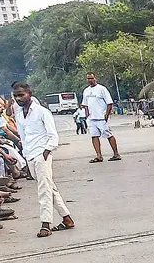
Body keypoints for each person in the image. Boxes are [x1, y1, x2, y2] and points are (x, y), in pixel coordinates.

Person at [13, 82, 74, 237]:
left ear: (29, 94)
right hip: (30, 155)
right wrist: (26, 157)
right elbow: (23, 137)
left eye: (21, 95)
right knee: (49, 188)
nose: (18, 98)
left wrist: (47, 151)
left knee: (44, 190)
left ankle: (45, 224)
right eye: (15, 96)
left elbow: (53, 135)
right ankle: (67, 219)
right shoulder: (19, 115)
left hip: (42, 154)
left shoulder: (42, 112)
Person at [81, 72, 119, 162]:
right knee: (94, 136)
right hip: (92, 118)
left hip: (102, 117)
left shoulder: (102, 89)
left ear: (95, 78)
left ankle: (116, 154)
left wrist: (106, 115)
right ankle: (99, 156)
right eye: (88, 78)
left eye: (91, 78)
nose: (90, 80)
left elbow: (109, 103)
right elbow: (85, 104)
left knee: (108, 135)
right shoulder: (86, 91)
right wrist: (87, 114)